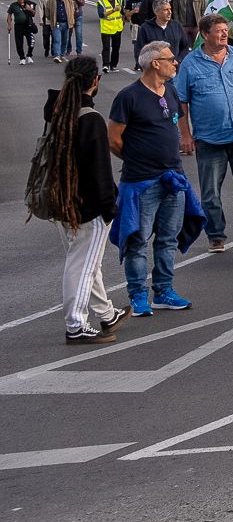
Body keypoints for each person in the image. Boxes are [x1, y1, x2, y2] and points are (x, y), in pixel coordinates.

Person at [108, 42, 202, 317]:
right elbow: (113, 139)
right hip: (141, 182)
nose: (176, 63)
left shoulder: (170, 90)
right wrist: (137, 159)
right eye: (170, 59)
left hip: (173, 178)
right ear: (154, 63)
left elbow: (175, 121)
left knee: (168, 239)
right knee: (137, 239)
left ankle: (163, 291)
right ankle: (137, 296)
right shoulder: (129, 97)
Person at [39, 55, 124, 343]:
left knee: (86, 261)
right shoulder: (91, 119)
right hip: (88, 207)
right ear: (95, 81)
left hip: (62, 200)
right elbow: (99, 170)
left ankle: (107, 313)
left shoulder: (58, 112)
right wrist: (109, 207)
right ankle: (75, 325)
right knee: (82, 265)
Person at [174, 13, 233, 252]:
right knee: (211, 192)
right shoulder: (191, 64)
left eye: (226, 30)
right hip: (209, 138)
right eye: (220, 30)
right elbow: (180, 102)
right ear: (205, 34)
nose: (225, 33)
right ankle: (216, 236)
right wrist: (185, 134)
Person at [97, 0, 126, 72]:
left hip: (117, 28)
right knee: (106, 47)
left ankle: (113, 65)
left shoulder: (119, 0)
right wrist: (113, 10)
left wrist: (128, 16)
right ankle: (105, 65)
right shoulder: (101, 2)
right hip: (106, 28)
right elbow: (101, 15)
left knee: (116, 47)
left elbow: (122, 13)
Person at [9, 0, 37, 64]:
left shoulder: (28, 4)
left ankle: (29, 55)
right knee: (19, 43)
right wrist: (9, 25)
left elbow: (34, 14)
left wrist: (30, 9)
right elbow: (9, 15)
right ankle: (22, 58)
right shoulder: (13, 5)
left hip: (28, 25)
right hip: (18, 26)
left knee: (31, 41)